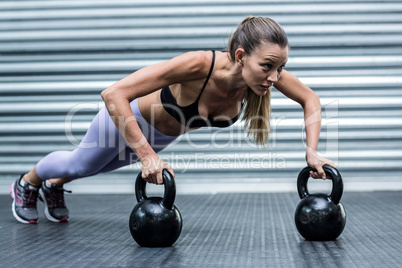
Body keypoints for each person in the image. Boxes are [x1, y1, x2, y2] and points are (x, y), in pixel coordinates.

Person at [11, 16, 335, 224]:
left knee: (94, 168)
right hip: (125, 122)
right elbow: (113, 94)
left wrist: (312, 151)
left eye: (281, 67)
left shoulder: (265, 76)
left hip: (159, 138)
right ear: (240, 56)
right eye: (268, 66)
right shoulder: (197, 65)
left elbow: (311, 100)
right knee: (79, 165)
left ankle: (54, 186)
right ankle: (28, 182)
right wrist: (148, 156)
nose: (275, 77)